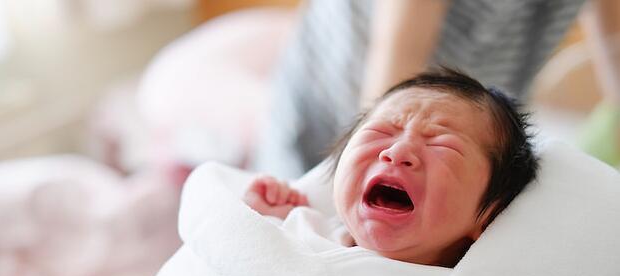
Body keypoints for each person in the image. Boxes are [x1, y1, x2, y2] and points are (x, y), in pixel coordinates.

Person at [252, 0, 619, 178]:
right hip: (357, 90)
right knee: (300, 209)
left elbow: (614, 39)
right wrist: (366, 171)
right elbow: (398, 55)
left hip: (473, 93)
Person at [244, 69, 538, 267]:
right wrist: (267, 217)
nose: (397, 152)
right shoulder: (311, 228)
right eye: (382, 131)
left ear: (489, 215)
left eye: (442, 145)